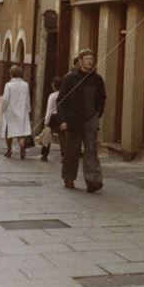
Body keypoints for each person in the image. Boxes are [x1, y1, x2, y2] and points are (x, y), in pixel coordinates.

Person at [57, 49, 106, 192]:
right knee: (72, 149)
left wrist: (98, 113)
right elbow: (61, 101)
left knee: (91, 149)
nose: (90, 61)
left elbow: (102, 97)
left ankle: (93, 180)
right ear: (80, 61)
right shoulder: (70, 78)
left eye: (91, 58)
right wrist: (62, 120)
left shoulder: (97, 79)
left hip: (91, 118)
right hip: (74, 119)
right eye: (87, 58)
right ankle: (69, 177)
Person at [0, 65, 31, 159]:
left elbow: (5, 99)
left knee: (9, 132)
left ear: (11, 74)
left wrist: (3, 109)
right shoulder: (25, 85)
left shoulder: (8, 85)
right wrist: (28, 109)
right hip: (22, 110)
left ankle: (9, 150)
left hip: (11, 111)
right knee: (21, 132)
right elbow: (27, 98)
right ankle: (23, 150)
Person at [40, 76, 63, 162]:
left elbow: (49, 109)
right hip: (62, 116)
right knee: (62, 136)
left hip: (53, 117)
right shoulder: (64, 94)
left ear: (54, 85)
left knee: (47, 134)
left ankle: (44, 154)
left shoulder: (52, 96)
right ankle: (64, 154)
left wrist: (46, 121)